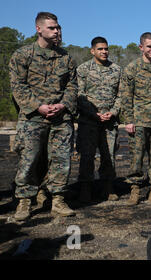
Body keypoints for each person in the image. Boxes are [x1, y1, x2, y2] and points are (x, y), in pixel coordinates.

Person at [9, 12, 77, 220]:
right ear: (39, 29)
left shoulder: (65, 57)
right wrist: (38, 106)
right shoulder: (23, 55)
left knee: (61, 160)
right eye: (52, 28)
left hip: (60, 118)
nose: (56, 31)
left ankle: (57, 199)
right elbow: (17, 86)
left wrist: (64, 105)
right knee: (29, 160)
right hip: (33, 118)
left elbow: (72, 86)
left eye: (57, 27)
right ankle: (24, 201)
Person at [120, 32, 151, 206]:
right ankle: (135, 190)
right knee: (137, 157)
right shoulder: (132, 68)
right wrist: (128, 120)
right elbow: (126, 96)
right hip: (139, 119)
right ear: (141, 47)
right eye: (149, 46)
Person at [76, 36, 122, 203]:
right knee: (87, 156)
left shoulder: (116, 69)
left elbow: (120, 95)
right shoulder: (83, 69)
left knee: (109, 155)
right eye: (100, 49)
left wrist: (113, 112)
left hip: (109, 122)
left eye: (106, 48)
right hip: (89, 121)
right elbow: (79, 95)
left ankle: (108, 187)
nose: (104, 52)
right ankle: (85, 188)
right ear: (92, 51)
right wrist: (93, 114)